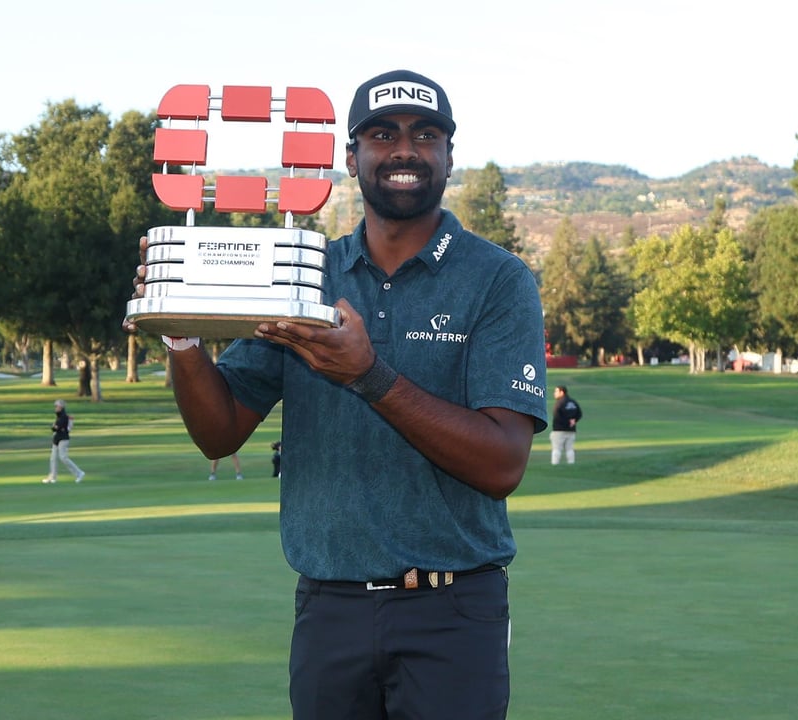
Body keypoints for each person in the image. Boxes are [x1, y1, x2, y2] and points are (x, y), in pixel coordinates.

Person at [128, 69, 548, 719]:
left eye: (425, 135)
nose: (404, 150)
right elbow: (219, 432)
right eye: (382, 135)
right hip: (330, 610)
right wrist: (180, 334)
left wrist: (368, 376)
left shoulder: (498, 278)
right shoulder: (303, 269)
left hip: (453, 609)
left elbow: (502, 466)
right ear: (351, 158)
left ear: (449, 156)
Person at [42, 399, 84, 483]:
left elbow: (57, 427)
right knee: (53, 458)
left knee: (63, 457)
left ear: (61, 407)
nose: (55, 408)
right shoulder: (59, 416)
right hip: (56, 439)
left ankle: (79, 473)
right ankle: (53, 477)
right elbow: (55, 428)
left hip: (63, 439)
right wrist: (55, 427)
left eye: (57, 406)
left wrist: (55, 427)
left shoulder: (64, 416)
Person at [550, 385, 583, 465]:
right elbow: (579, 413)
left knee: (557, 449)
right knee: (570, 449)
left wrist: (566, 423)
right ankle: (571, 464)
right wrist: (573, 421)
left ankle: (555, 464)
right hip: (571, 430)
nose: (554, 393)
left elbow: (557, 416)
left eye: (556, 391)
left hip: (559, 430)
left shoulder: (559, 403)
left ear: (562, 392)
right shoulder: (573, 402)